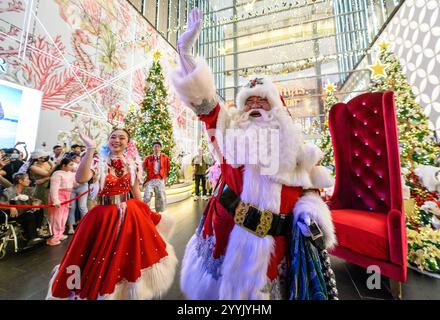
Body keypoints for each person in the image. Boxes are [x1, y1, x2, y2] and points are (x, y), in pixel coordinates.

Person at [170, 8, 338, 300]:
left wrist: (310, 213)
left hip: (276, 248)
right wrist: (185, 52)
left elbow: (310, 192)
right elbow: (203, 100)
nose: (255, 106)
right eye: (249, 102)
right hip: (226, 238)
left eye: (263, 101)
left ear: (278, 111)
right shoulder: (227, 133)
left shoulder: (298, 151)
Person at [46, 128, 177, 300]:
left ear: (128, 143)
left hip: (129, 214)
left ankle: (121, 293)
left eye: (122, 138)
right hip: (103, 217)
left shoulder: (132, 162)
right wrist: (90, 149)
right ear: (108, 140)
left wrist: (145, 212)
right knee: (96, 256)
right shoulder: (99, 160)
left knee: (125, 256)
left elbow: (135, 190)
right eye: (113, 137)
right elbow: (81, 178)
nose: (117, 140)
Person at [0, 173, 44, 246]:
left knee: (39, 209)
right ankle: (32, 238)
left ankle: (38, 230)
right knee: (29, 216)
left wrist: (36, 203)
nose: (29, 181)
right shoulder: (9, 191)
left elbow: (38, 200)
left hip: (25, 211)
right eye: (27, 179)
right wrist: (11, 207)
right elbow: (1, 204)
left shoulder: (29, 189)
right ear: (20, 181)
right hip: (13, 214)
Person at [46, 158, 77, 246]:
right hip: (58, 197)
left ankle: (60, 233)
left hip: (67, 197)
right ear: (64, 165)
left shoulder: (71, 174)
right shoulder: (57, 174)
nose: (72, 166)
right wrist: (56, 200)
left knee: (64, 216)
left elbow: (76, 183)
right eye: (70, 164)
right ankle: (54, 237)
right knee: (56, 217)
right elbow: (54, 188)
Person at [29, 150, 55, 231]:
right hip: (41, 189)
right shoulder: (33, 167)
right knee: (44, 210)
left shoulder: (47, 163)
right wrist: (49, 177)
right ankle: (42, 227)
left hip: (50, 187)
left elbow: (55, 170)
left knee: (50, 209)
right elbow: (48, 174)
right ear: (38, 158)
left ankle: (48, 226)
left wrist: (49, 161)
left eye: (45, 156)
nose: (44, 158)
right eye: (42, 157)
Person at [142, 141, 170, 213]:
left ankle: (160, 213)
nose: (156, 148)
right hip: (150, 179)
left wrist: (164, 177)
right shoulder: (148, 158)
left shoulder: (165, 157)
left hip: (160, 179)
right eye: (155, 146)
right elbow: (142, 168)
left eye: (158, 146)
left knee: (160, 196)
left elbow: (168, 168)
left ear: (160, 148)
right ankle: (145, 212)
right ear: (152, 148)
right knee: (147, 195)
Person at [66, 152, 88, 234]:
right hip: (71, 187)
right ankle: (71, 227)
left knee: (82, 206)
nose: (79, 159)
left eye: (80, 158)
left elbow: (87, 176)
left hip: (83, 186)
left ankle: (85, 226)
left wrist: (79, 182)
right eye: (78, 158)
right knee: (72, 207)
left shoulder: (85, 165)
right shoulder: (69, 165)